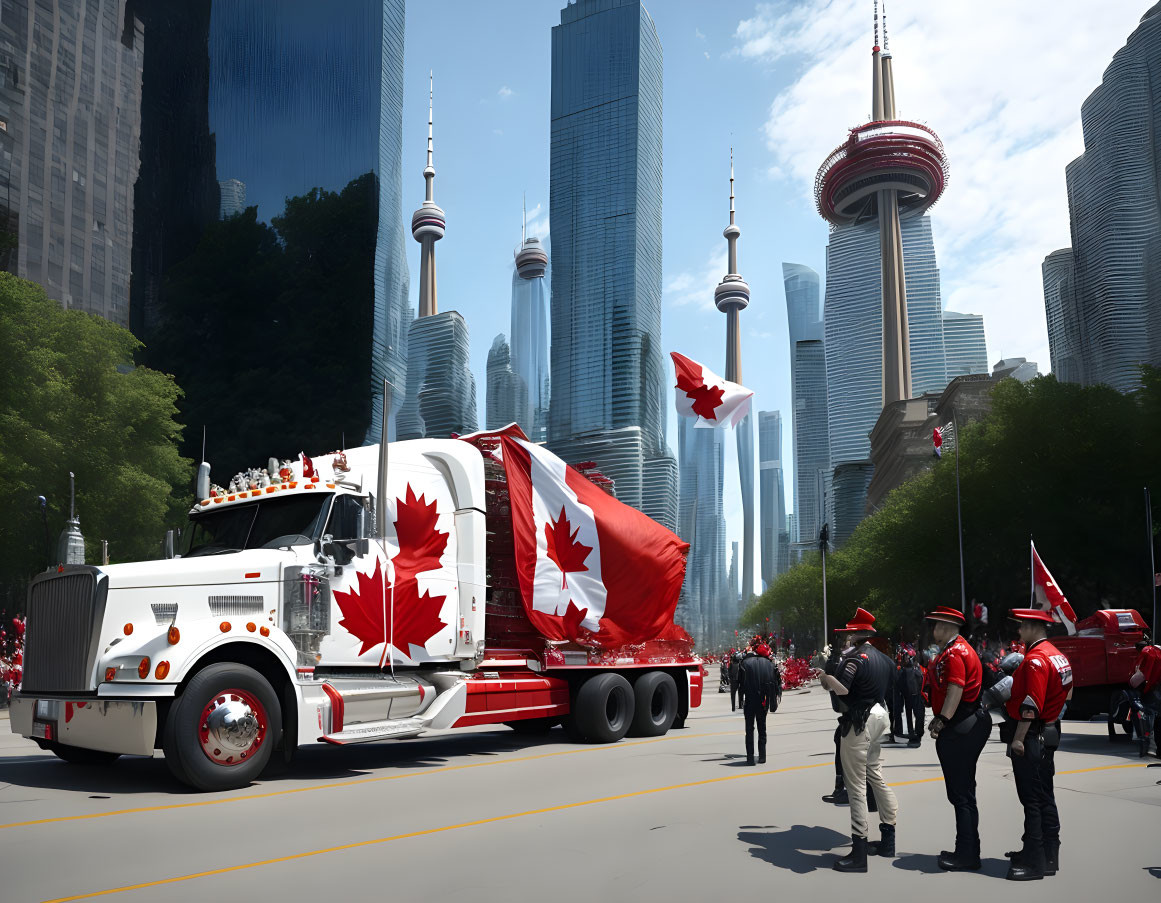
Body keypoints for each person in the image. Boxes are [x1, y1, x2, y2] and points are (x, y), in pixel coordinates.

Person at [820, 608, 899, 872]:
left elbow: (842, 689)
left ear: (856, 633)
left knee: (856, 787)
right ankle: (888, 839)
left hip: (858, 720)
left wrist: (825, 676)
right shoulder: (885, 660)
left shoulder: (854, 659)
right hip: (879, 715)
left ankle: (859, 853)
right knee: (876, 776)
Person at [1002, 609, 1072, 881]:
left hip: (1032, 734)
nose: (1019, 632)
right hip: (1049, 729)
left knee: (1031, 799)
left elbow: (1030, 706)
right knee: (1045, 795)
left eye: (1022, 627)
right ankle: (1048, 856)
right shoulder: (1057, 654)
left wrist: (1018, 738)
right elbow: (1069, 689)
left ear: (1032, 627)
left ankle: (1034, 863)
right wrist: (1053, 714)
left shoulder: (1035, 660)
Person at [923, 606, 990, 871]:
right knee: (963, 793)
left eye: (936, 625)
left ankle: (967, 855)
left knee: (961, 794)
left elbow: (955, 688)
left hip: (961, 723)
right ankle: (967, 849)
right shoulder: (957, 650)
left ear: (947, 627)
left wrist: (942, 719)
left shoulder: (955, 653)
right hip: (966, 722)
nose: (933, 630)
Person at [739, 643, 778, 765]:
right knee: (762, 728)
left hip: (749, 700)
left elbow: (740, 683)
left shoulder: (745, 663)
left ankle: (750, 757)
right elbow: (775, 686)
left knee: (749, 730)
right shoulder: (770, 665)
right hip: (763, 701)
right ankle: (762, 756)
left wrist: (740, 700)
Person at [899, 645, 926, 746]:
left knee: (914, 715)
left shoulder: (913, 669)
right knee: (914, 715)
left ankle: (915, 733)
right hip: (914, 695)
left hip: (914, 695)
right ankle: (915, 733)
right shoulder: (917, 668)